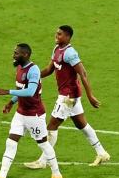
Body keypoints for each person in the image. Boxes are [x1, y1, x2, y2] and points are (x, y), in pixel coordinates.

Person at [25, 25, 109, 169]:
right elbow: (49, 69)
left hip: (68, 97)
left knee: (51, 126)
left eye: (60, 34)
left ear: (68, 37)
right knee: (81, 124)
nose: (56, 36)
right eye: (56, 33)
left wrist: (90, 95)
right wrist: (33, 76)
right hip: (69, 94)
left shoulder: (70, 53)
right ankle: (102, 153)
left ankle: (43, 161)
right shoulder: (57, 49)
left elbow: (83, 73)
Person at [0, 43, 63, 178]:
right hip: (21, 113)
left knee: (43, 144)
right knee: (11, 141)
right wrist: (11, 102)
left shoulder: (33, 70)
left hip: (34, 115)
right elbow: (21, 89)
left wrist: (7, 92)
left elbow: (30, 91)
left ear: (25, 55)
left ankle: (57, 174)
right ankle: (2, 177)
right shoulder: (20, 68)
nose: (13, 55)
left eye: (16, 53)